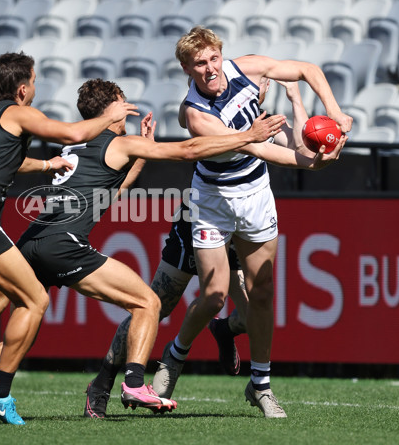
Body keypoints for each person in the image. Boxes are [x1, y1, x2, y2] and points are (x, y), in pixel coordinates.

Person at [0, 76, 341, 420]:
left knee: (18, 333)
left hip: (34, 240)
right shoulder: (121, 139)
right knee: (151, 302)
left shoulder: (80, 147)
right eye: (122, 104)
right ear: (111, 111)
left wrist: (141, 150)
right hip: (117, 233)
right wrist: (247, 135)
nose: (128, 110)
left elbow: (106, 193)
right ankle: (134, 380)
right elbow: (188, 150)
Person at [82, 77, 316, 419]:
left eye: (266, 79)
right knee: (157, 304)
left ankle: (224, 333)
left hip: (242, 221)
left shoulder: (258, 113)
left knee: (255, 312)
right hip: (201, 215)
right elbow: (184, 113)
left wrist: (296, 101)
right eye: (258, 78)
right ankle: (110, 381)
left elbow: (298, 150)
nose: (261, 82)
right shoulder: (205, 109)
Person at [0, 53, 139, 426]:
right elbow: (74, 133)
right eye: (35, 82)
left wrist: (45, 165)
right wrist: (110, 117)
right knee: (35, 299)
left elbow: (1, 161)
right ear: (22, 89)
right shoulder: (18, 112)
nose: (36, 89)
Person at [151, 26, 351, 419]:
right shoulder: (196, 113)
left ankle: (260, 385)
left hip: (256, 196)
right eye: (199, 64)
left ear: (220, 55)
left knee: (261, 293)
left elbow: (308, 69)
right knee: (214, 296)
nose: (209, 69)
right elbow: (256, 145)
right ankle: (174, 357)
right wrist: (306, 161)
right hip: (212, 202)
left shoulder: (245, 68)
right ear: (186, 70)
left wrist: (335, 109)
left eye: (212, 59)